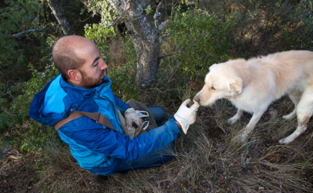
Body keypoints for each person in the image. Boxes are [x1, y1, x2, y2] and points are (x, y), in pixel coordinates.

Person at [29, 35, 199, 182]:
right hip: (108, 158)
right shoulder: (76, 124)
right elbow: (128, 148)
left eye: (99, 58)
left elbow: (105, 95)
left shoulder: (78, 79)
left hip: (113, 123)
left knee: (159, 113)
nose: (104, 65)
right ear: (74, 74)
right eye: (96, 63)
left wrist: (126, 110)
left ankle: (139, 130)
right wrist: (177, 123)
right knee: (168, 151)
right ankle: (107, 172)